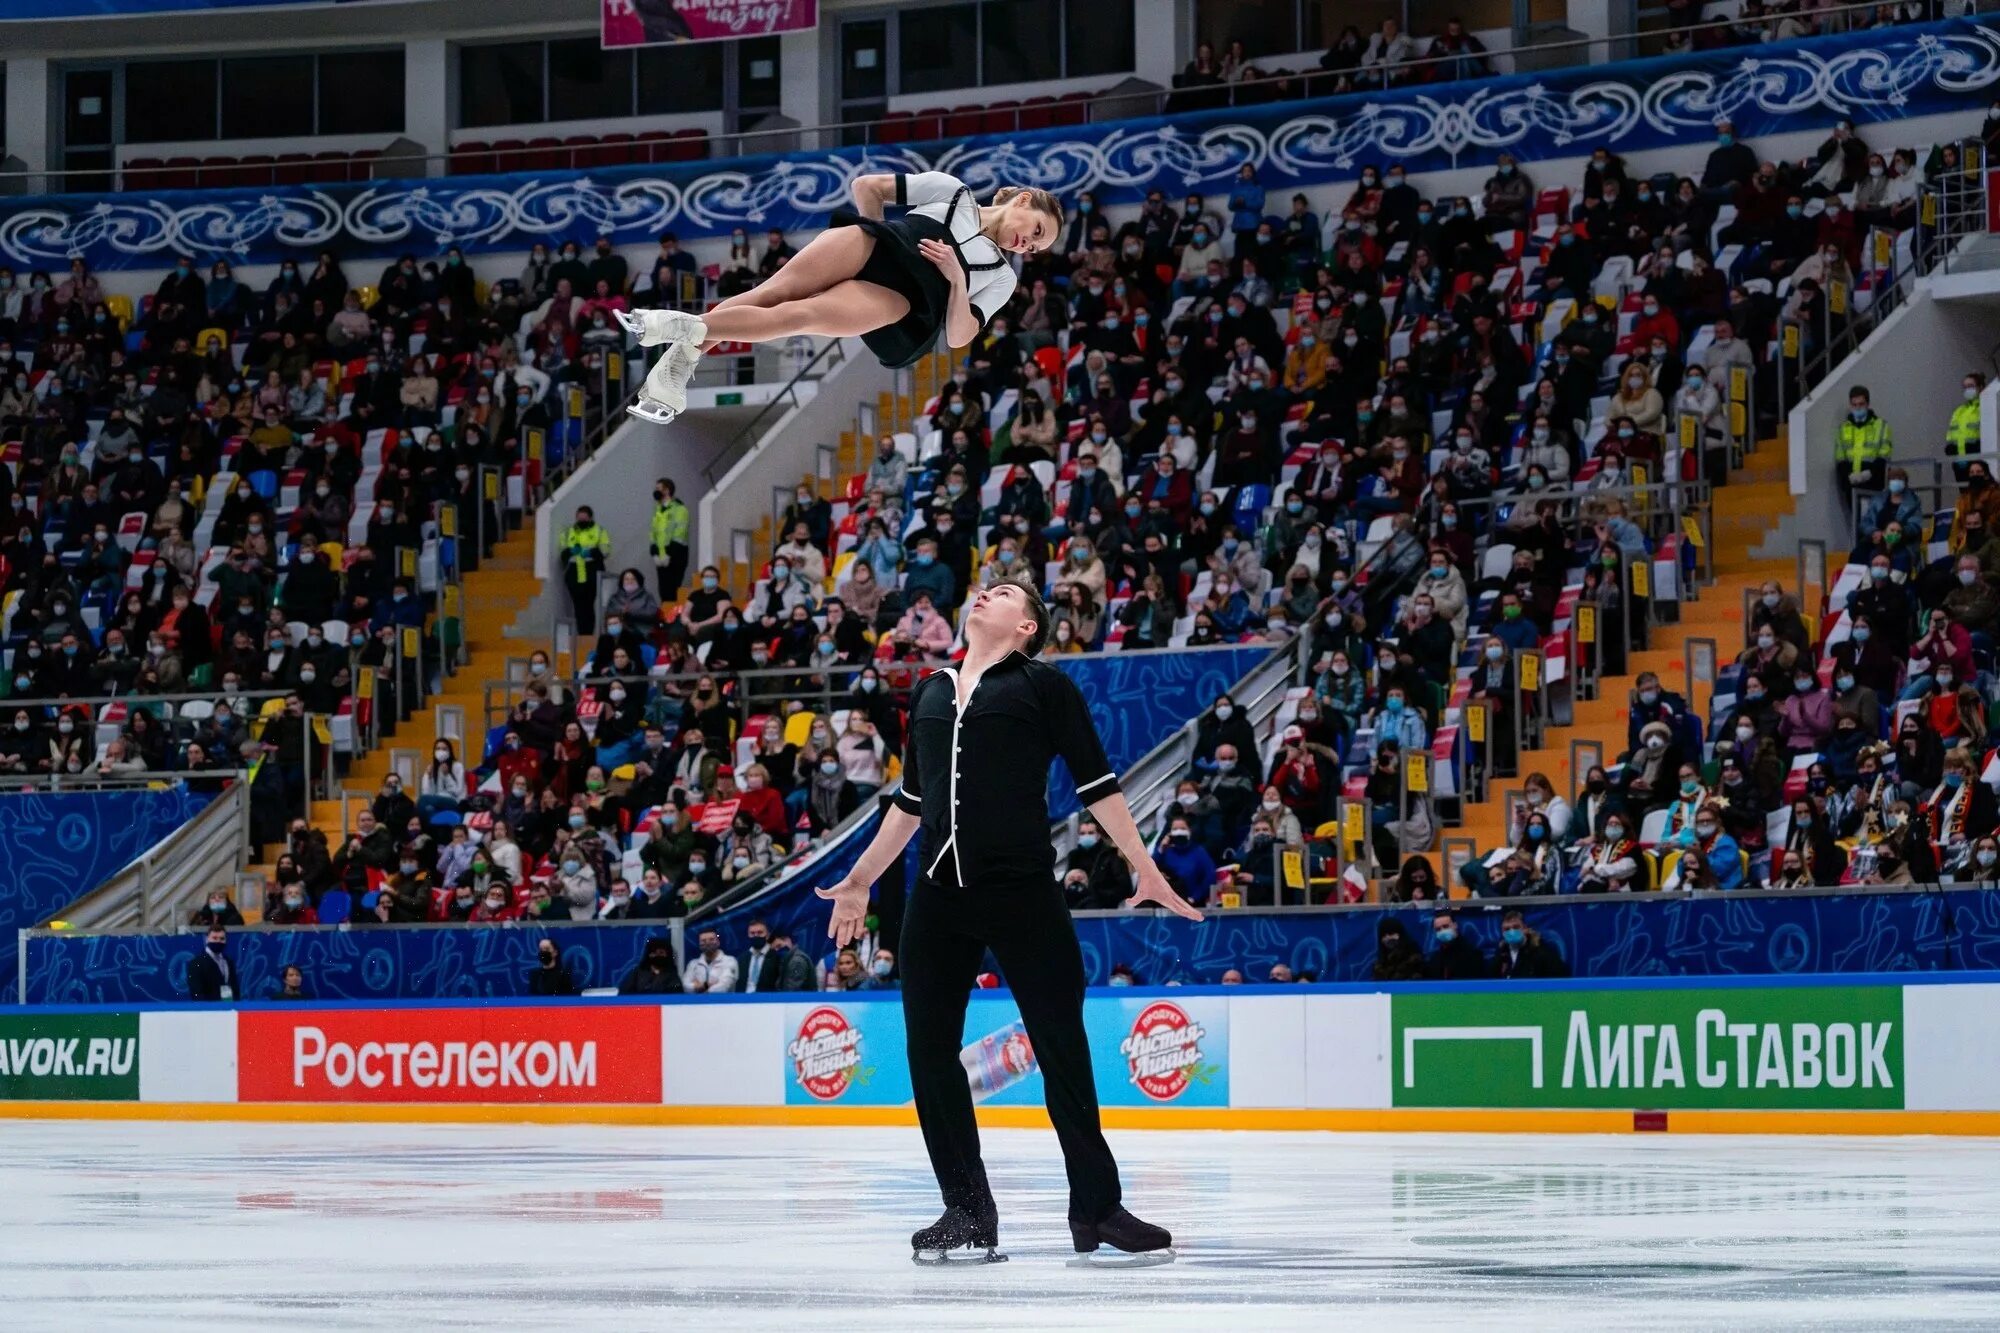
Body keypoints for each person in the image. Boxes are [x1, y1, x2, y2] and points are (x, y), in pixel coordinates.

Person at [816, 577, 1192, 1265]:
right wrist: (862, 878)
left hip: (1022, 888)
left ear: (1027, 627)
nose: (988, 592)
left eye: (1007, 592)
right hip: (937, 894)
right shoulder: (930, 689)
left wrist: (1145, 865)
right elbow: (909, 799)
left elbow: (1098, 785)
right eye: (988, 587)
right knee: (928, 1053)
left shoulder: (1045, 687)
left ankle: (1097, 1207)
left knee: (1062, 1048)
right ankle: (966, 1208)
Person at [619, 172, 1062, 422]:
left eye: (1037, 248)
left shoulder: (1001, 276)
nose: (1029, 245)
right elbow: (867, 186)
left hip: (899, 298)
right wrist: (881, 234)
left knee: (797, 315)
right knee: (772, 293)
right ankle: (673, 362)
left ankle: (675, 329)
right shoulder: (952, 191)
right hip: (875, 244)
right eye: (1036, 231)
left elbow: (962, 335)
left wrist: (956, 278)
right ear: (1023, 201)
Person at [560, 505, 611, 635]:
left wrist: (591, 552)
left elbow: (605, 550)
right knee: (578, 606)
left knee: (589, 606)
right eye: (579, 518)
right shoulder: (569, 531)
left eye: (584, 518)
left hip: (592, 572)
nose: (581, 520)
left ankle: (588, 634)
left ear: (590, 518)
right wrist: (570, 551)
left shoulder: (599, 530)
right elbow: (562, 552)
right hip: (574, 573)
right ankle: (581, 634)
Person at [1489, 909, 1568, 979]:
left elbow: (1559, 979)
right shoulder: (1501, 953)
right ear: (1502, 932)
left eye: (1516, 927)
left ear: (1525, 929)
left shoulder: (1542, 953)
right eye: (1507, 929)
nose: (1511, 931)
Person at [650, 477, 691, 602]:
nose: (656, 491)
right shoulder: (658, 510)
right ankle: (666, 619)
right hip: (662, 557)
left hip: (676, 555)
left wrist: (669, 554)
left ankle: (672, 619)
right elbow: (653, 532)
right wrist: (654, 552)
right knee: (663, 591)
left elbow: (680, 533)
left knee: (672, 591)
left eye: (658, 488)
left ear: (667, 490)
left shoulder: (680, 509)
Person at [185, 926, 237, 1001]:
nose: (218, 941)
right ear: (207, 939)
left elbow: (235, 988)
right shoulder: (196, 963)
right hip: (209, 1010)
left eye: (222, 939)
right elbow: (196, 993)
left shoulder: (229, 962)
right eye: (214, 938)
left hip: (229, 1008)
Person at [621, 936, 687, 995]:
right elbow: (624, 992)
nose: (657, 955)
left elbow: (676, 995)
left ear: (667, 955)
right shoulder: (638, 973)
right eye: (654, 953)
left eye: (661, 953)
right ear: (649, 954)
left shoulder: (672, 975)